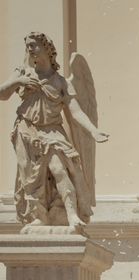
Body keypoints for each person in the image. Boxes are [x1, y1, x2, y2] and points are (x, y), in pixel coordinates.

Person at [0, 32, 109, 229]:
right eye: (28, 46)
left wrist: (93, 131)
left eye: (34, 45)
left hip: (52, 132)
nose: (30, 49)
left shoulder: (60, 82)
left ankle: (72, 214)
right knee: (30, 177)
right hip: (26, 131)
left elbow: (75, 112)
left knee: (60, 169)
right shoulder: (22, 73)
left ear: (46, 48)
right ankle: (39, 216)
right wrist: (18, 82)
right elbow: (2, 94)